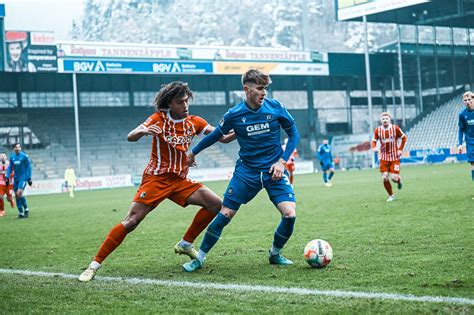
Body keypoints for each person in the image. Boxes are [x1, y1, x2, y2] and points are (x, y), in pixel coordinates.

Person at [78, 81, 236, 282]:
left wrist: (242, 128)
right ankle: (94, 265)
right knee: (131, 221)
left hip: (179, 180)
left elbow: (222, 138)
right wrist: (143, 131)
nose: (185, 106)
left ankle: (186, 244)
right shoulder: (158, 119)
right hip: (156, 179)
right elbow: (130, 136)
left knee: (216, 204)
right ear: (169, 103)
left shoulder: (194, 122)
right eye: (180, 102)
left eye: (186, 101)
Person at [183, 69, 300, 273]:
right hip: (247, 172)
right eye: (260, 88)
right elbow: (216, 135)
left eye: (266, 88)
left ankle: (275, 254)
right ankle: (199, 258)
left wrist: (282, 162)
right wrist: (193, 152)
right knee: (225, 213)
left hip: (274, 171)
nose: (264, 93)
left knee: (289, 214)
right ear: (247, 89)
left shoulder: (276, 107)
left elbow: (294, 133)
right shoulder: (235, 114)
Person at [371, 112, 407, 202]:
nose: (385, 120)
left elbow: (404, 138)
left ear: (389, 119)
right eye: (383, 119)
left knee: (394, 178)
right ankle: (391, 196)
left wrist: (400, 149)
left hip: (394, 157)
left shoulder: (395, 128)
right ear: (381, 121)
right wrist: (374, 147)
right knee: (385, 177)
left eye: (386, 119)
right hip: (383, 157)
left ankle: (398, 180)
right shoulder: (378, 130)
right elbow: (373, 141)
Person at [6, 144, 33, 218]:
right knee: (17, 196)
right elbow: (10, 167)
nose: (17, 148)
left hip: (23, 178)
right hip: (16, 178)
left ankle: (26, 209)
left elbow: (29, 167)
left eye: (18, 147)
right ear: (14, 149)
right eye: (15, 147)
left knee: (19, 193)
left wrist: (29, 178)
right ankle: (21, 212)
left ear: (20, 148)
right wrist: (7, 177)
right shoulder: (12, 157)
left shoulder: (24, 156)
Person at [457, 91, 474, 181]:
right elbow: (461, 129)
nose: (467, 101)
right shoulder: (462, 114)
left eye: (469, 99)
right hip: (470, 142)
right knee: (473, 164)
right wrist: (460, 144)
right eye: (465, 100)